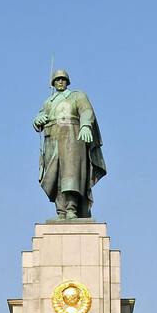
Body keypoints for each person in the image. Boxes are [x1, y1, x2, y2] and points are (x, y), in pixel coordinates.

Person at [32, 69, 107, 220]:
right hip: (52, 138)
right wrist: (37, 120)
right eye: (57, 80)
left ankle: (71, 209)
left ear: (67, 81)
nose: (60, 82)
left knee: (70, 174)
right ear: (53, 83)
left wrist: (85, 125)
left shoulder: (77, 96)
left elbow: (87, 111)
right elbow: (40, 117)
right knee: (55, 175)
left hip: (72, 136)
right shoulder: (49, 101)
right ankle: (61, 211)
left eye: (63, 79)